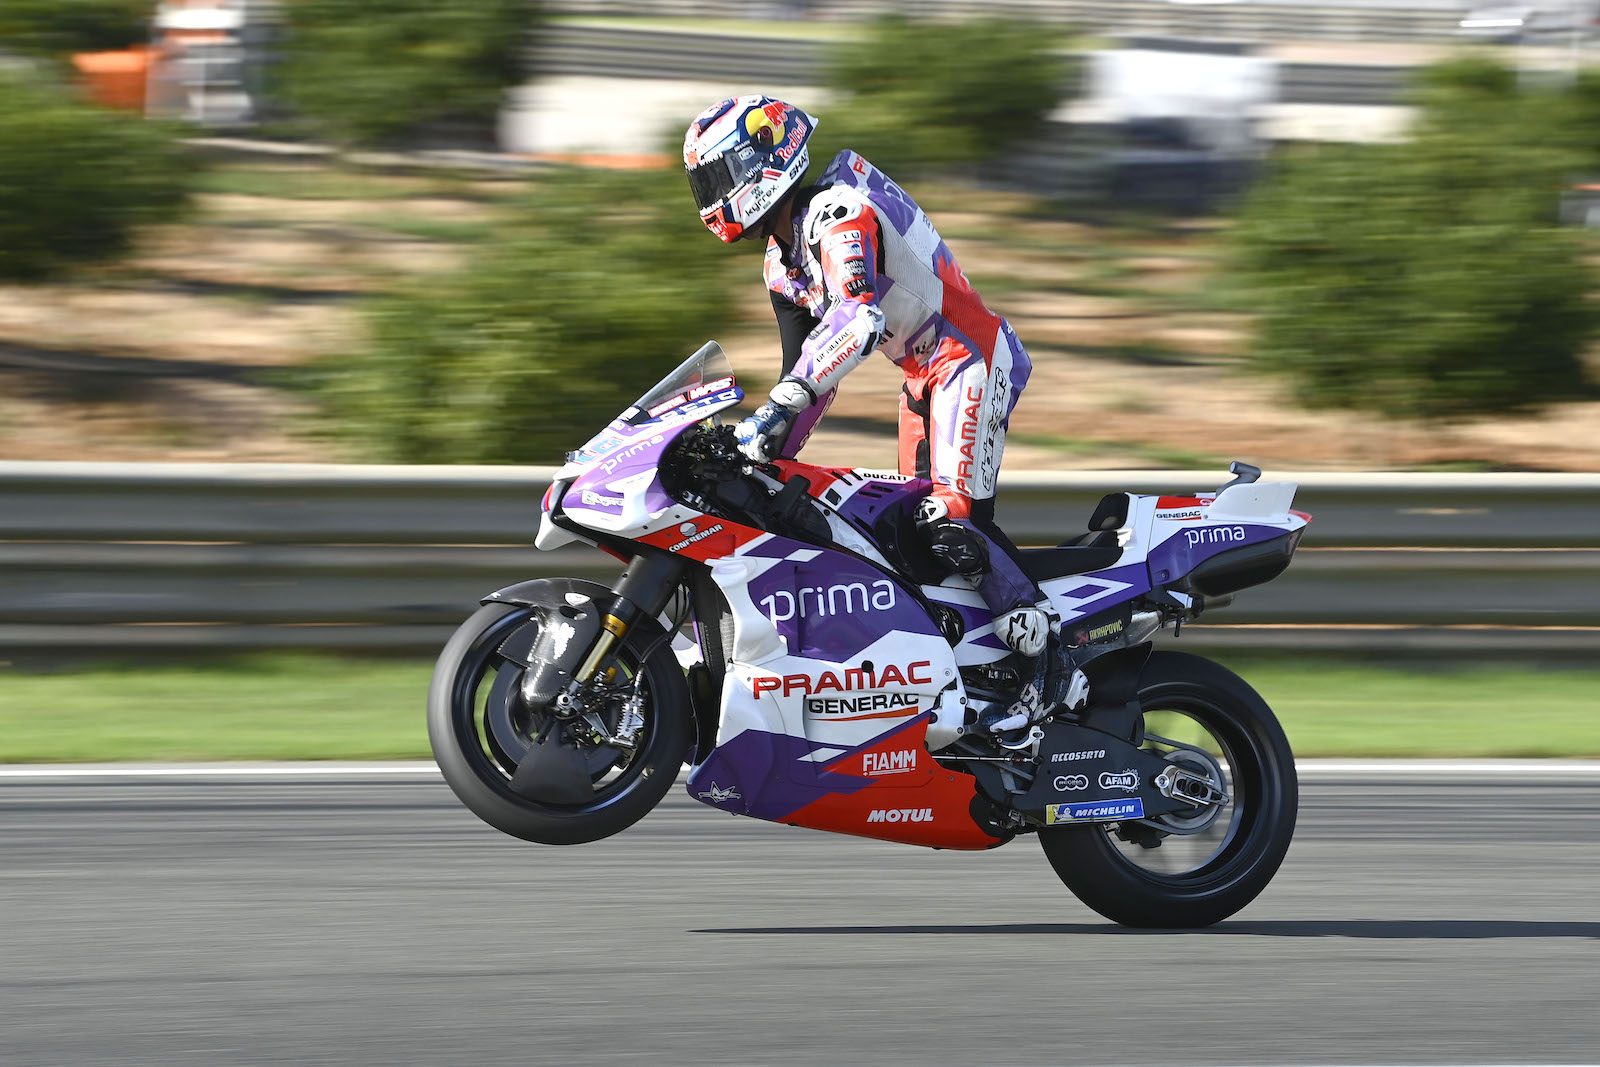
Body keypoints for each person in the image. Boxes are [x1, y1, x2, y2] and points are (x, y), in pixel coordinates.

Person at [683, 95, 1068, 730]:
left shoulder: (838, 213)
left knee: (951, 520)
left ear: (763, 160)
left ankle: (1053, 665)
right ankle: (980, 670)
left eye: (719, 177)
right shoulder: (782, 261)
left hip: (969, 358)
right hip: (922, 377)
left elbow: (856, 320)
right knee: (909, 534)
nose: (712, 196)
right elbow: (802, 374)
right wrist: (760, 454)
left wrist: (775, 413)